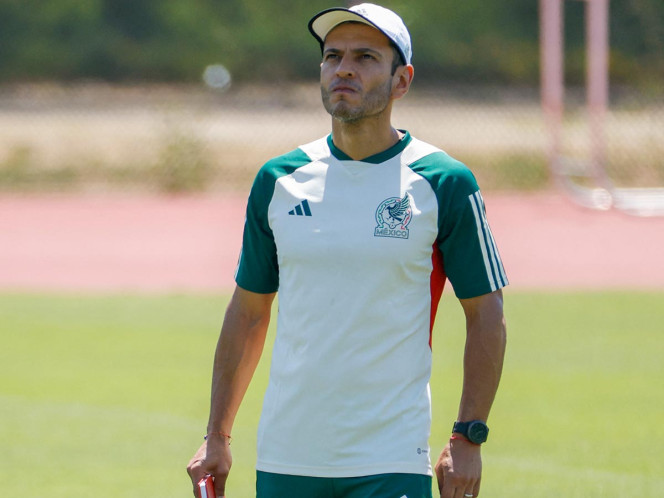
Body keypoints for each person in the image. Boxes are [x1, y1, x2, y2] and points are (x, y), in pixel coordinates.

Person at [187, 3, 507, 498]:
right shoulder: (279, 179)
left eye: (365, 57)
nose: (344, 69)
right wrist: (217, 435)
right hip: (287, 456)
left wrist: (468, 436)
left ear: (402, 81)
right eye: (333, 56)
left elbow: (486, 314)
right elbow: (248, 313)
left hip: (392, 458)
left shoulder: (444, 183)